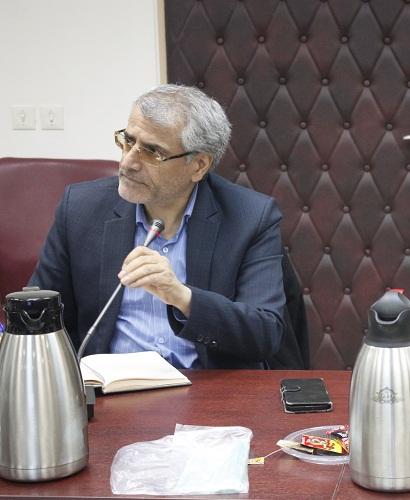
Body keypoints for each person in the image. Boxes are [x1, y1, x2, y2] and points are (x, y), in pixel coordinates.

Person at [30, 84, 285, 369]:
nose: (128, 162)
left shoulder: (250, 217)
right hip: (110, 386)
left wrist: (182, 297)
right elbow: (38, 312)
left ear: (199, 165)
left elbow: (265, 332)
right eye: (128, 141)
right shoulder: (81, 208)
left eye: (152, 152)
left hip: (206, 388)